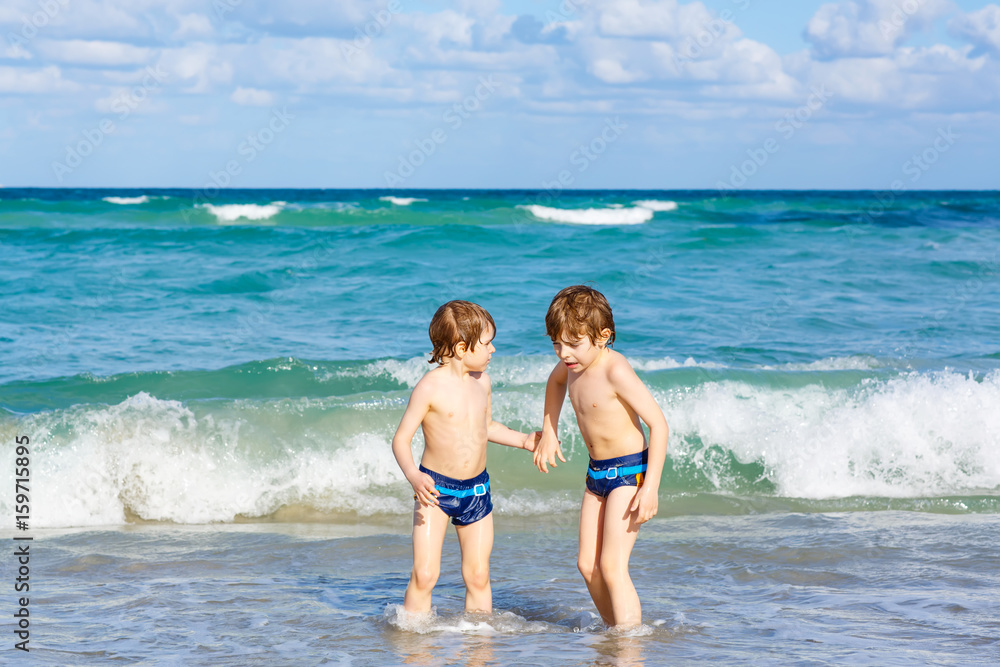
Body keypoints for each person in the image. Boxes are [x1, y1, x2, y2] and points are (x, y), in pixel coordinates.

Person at [533, 285, 669, 629]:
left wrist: (650, 488)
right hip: (596, 476)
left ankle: (629, 643)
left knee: (612, 565)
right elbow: (554, 385)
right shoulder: (571, 366)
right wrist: (549, 430)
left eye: (573, 344)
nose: (563, 353)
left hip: (629, 472)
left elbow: (659, 425)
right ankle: (615, 630)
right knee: (587, 565)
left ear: (603, 336)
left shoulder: (615, 370)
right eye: (556, 343)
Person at [392, 300, 538, 615]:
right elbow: (401, 440)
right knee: (425, 575)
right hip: (435, 491)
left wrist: (524, 440)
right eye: (486, 343)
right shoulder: (429, 387)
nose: (493, 350)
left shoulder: (481, 383)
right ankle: (414, 646)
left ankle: (479, 646)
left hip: (476, 490)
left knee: (478, 574)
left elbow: (486, 427)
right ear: (461, 348)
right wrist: (413, 476)